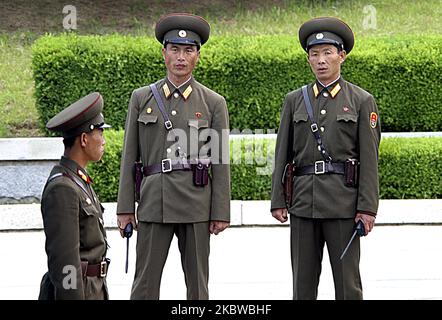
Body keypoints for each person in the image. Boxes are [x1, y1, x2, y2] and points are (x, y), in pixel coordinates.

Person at [116, 13, 231, 300]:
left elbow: (220, 160)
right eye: (175, 49)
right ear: (164, 53)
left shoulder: (213, 103)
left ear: (198, 56)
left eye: (188, 50)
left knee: (197, 286)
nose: (181, 57)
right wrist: (125, 207)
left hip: (196, 203)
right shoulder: (142, 98)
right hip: (155, 201)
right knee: (144, 285)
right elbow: (130, 155)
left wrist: (220, 211)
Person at [271, 17, 381, 300]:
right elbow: (283, 152)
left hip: (343, 204)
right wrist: (278, 200)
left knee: (347, 285)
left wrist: (367, 208)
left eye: (327, 53)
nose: (321, 60)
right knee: (302, 285)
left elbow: (369, 160)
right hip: (303, 204)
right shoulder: (294, 100)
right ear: (308, 59)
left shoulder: (360, 100)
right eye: (314, 54)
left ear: (341, 56)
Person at [39, 92, 111, 300]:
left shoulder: (78, 181)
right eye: (100, 133)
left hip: (94, 290)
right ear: (84, 139)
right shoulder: (63, 188)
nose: (104, 141)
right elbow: (65, 264)